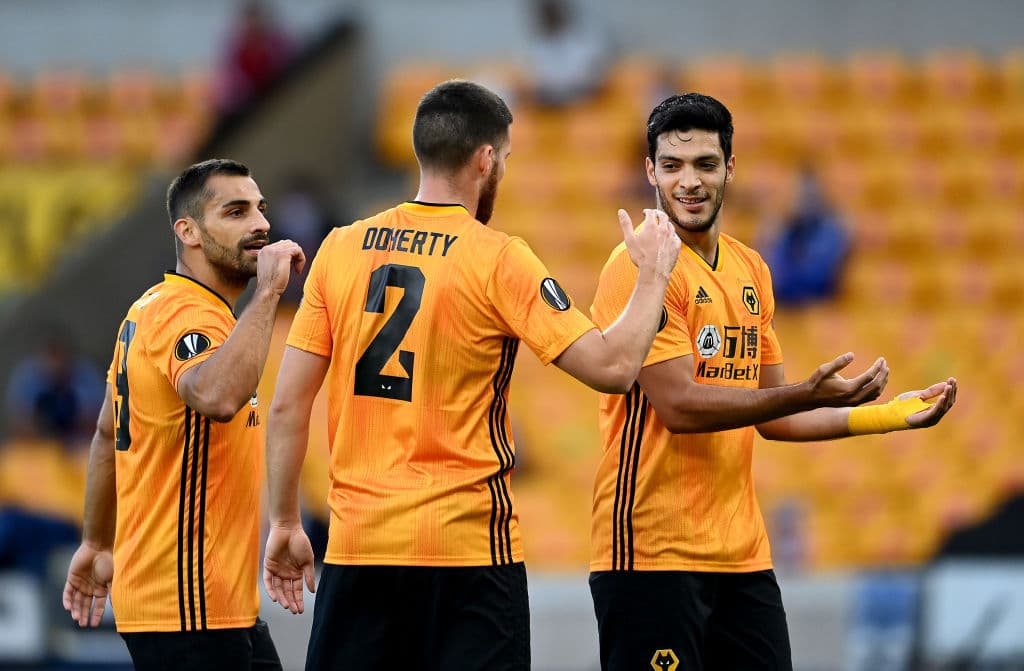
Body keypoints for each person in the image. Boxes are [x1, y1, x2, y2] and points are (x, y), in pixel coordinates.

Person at [261, 79, 680, 670]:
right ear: (486, 159)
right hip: (467, 553)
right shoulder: (497, 257)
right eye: (505, 159)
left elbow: (286, 408)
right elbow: (612, 368)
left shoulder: (339, 249)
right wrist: (654, 273)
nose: (502, 170)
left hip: (360, 550)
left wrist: (283, 521)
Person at [587, 93, 958, 671]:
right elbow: (680, 406)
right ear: (649, 171)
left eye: (706, 164)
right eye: (673, 166)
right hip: (650, 556)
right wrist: (803, 391)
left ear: (730, 169)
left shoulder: (751, 269)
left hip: (741, 558)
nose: (689, 182)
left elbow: (776, 416)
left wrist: (885, 414)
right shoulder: (635, 266)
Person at [61, 158, 305, 671]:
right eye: (236, 212)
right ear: (188, 231)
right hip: (188, 605)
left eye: (261, 209)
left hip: (208, 606)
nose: (261, 224)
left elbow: (107, 435)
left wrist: (96, 541)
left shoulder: (152, 308)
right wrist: (268, 292)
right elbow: (216, 398)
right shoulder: (185, 314)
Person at [760, 167, 850, 305]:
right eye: (799, 193)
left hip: (820, 305)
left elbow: (819, 275)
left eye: (810, 193)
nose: (804, 199)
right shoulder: (778, 228)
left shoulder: (831, 229)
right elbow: (773, 275)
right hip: (781, 305)